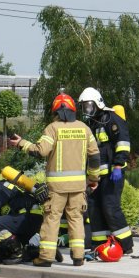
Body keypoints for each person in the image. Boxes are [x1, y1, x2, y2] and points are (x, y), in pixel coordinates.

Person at [9, 93, 100, 267]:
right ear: (73, 109)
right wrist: (93, 179)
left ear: (56, 111)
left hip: (57, 187)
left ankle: (46, 257)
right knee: (76, 219)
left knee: (52, 220)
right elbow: (95, 157)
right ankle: (78, 257)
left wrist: (22, 143)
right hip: (78, 186)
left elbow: (40, 151)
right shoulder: (84, 129)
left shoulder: (52, 128)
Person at [77, 87, 133, 254]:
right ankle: (99, 244)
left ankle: (126, 244)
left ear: (97, 103)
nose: (86, 109)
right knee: (94, 209)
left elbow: (122, 142)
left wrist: (118, 165)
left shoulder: (112, 119)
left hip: (112, 174)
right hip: (96, 176)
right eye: (84, 106)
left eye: (88, 105)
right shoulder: (92, 123)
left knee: (110, 207)